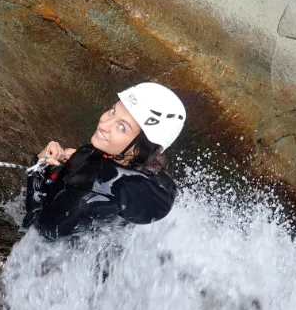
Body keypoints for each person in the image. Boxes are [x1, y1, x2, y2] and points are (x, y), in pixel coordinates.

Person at [23, 82, 186, 240]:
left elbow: (40, 231)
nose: (104, 124)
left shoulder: (89, 195)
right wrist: (84, 158)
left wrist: (39, 164)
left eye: (122, 128)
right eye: (113, 111)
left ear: (140, 150)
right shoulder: (154, 181)